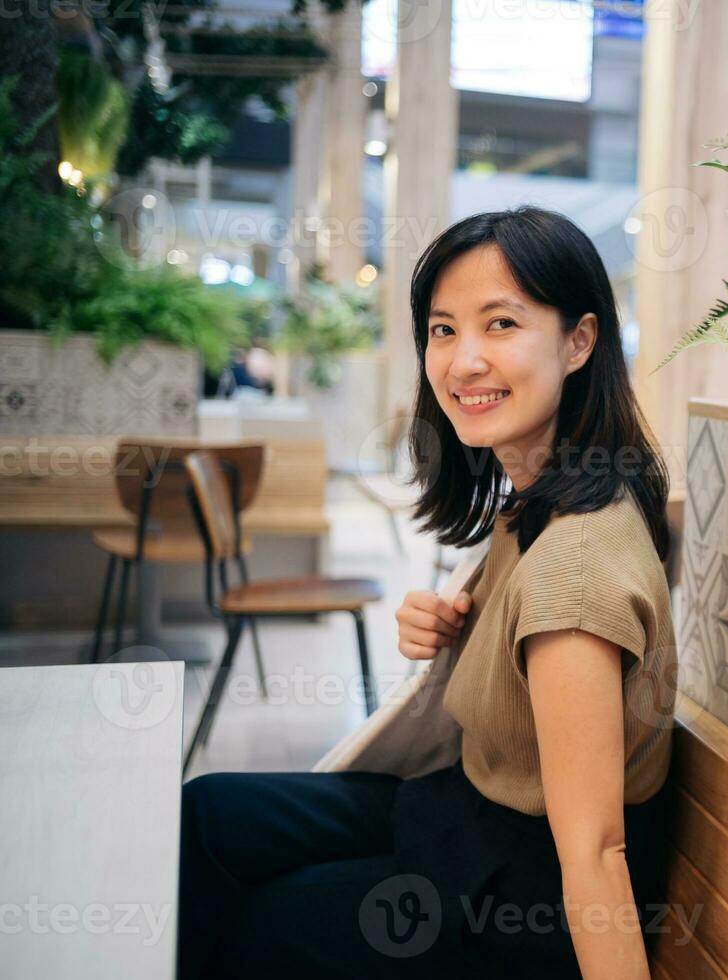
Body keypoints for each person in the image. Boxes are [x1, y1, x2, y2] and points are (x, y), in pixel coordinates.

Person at [176, 206, 680, 979]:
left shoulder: (573, 574)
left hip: (515, 892)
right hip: (464, 812)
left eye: (501, 324)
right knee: (208, 817)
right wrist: (462, 632)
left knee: (265, 922)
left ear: (580, 341)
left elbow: (598, 853)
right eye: (443, 330)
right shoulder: (549, 496)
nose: (463, 361)